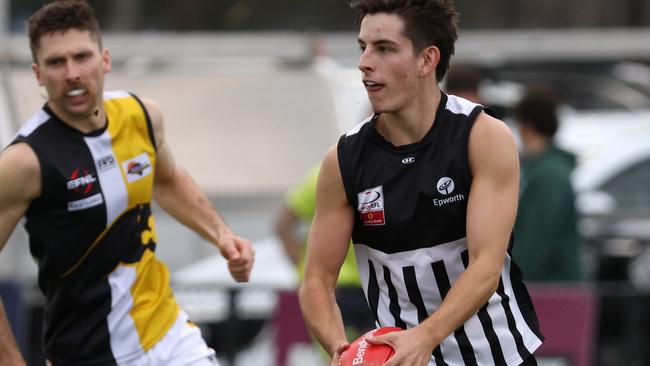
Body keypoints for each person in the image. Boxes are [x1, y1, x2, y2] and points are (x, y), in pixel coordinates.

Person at [0, 1, 254, 365]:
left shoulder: (141, 115)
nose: (72, 73)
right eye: (57, 62)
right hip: (87, 353)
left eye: (81, 57)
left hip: (169, 334)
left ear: (104, 60)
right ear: (38, 74)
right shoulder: (26, 161)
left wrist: (222, 235)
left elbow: (166, 180)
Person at [298, 1, 543, 365]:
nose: (365, 62)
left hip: (497, 356)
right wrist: (342, 349)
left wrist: (424, 337)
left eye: (383, 48)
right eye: (362, 47)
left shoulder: (482, 137)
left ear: (427, 60)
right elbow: (316, 280)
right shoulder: (344, 160)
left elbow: (486, 267)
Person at [274, 163, 374, 340]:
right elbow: (283, 225)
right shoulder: (328, 172)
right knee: (341, 355)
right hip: (338, 287)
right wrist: (308, 275)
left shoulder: (384, 168)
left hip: (379, 284)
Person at [512, 87, 583, 282]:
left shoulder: (549, 173)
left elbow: (537, 238)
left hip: (553, 287)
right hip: (550, 284)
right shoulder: (541, 168)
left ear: (527, 125)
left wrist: (513, 276)